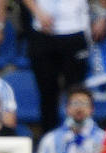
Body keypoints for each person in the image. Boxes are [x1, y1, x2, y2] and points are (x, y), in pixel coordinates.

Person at [21, 0, 91, 134]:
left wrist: (102, 14)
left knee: (76, 92)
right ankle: (49, 141)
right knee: (47, 94)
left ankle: (79, 138)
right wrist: (37, 12)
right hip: (42, 31)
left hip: (75, 30)